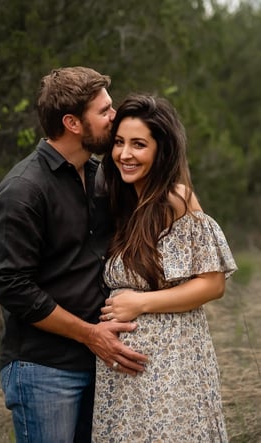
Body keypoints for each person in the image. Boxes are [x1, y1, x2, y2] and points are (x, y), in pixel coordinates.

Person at [0, 67, 147, 443]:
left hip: (99, 361)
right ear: (73, 122)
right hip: (43, 369)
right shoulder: (23, 190)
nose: (116, 117)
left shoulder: (100, 176)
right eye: (105, 111)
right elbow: (12, 287)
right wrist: (91, 334)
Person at [92, 93, 238, 442]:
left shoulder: (175, 199)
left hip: (172, 369)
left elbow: (212, 284)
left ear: (161, 150)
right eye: (119, 143)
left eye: (139, 144)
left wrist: (140, 303)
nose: (125, 154)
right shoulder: (124, 202)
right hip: (125, 375)